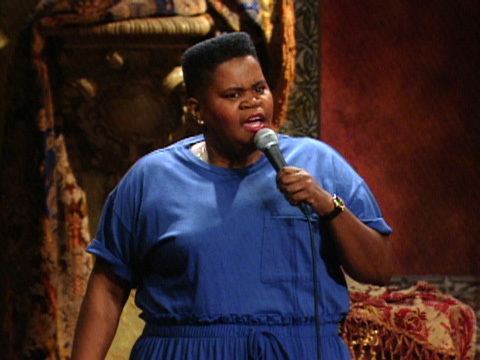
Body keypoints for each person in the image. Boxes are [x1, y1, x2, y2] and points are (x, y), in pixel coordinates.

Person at [71, 32, 393, 359]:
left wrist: (327, 204)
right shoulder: (151, 179)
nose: (252, 102)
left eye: (259, 89)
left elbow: (378, 269)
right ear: (197, 110)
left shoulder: (319, 163)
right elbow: (108, 288)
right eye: (233, 94)